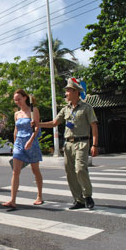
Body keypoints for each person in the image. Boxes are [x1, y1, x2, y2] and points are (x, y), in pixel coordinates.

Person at [38, 78, 98, 210]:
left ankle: (88, 196)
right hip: (68, 144)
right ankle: (78, 200)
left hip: (82, 142)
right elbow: (54, 123)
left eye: (68, 91)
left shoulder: (87, 108)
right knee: (70, 172)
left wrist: (94, 145)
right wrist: (38, 124)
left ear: (75, 92)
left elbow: (94, 126)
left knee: (80, 169)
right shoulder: (65, 109)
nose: (65, 94)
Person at [2, 89, 44, 209]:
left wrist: (30, 141)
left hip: (32, 143)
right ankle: (12, 200)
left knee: (35, 170)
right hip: (19, 144)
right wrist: (15, 144)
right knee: (15, 171)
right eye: (15, 100)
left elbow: (37, 128)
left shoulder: (33, 110)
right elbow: (16, 130)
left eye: (19, 99)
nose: (17, 102)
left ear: (25, 98)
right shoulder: (17, 114)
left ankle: (39, 196)